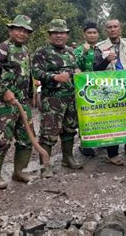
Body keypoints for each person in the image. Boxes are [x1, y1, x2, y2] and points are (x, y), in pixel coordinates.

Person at [0, 15, 34, 189]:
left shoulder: (25, 50)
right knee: (1, 140)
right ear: (10, 31)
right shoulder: (4, 48)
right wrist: (3, 90)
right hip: (4, 104)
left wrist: (31, 95)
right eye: (18, 29)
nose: (22, 33)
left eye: (25, 31)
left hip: (22, 101)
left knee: (26, 138)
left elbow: (27, 75)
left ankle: (19, 171)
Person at [32, 19, 83, 178]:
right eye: (55, 33)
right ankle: (45, 165)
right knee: (49, 133)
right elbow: (35, 73)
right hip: (53, 99)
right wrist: (54, 77)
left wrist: (77, 72)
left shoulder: (70, 51)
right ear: (50, 35)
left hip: (70, 98)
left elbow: (73, 69)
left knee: (69, 129)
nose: (59, 36)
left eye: (62, 33)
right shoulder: (42, 52)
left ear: (67, 35)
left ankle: (67, 158)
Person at [94, 19, 126, 165]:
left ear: (120, 28)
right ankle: (112, 153)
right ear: (106, 30)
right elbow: (95, 70)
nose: (113, 29)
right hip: (110, 90)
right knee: (113, 121)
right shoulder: (100, 47)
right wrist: (106, 60)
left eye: (115, 26)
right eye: (109, 27)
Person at [74, 22, 99, 157]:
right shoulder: (79, 49)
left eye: (94, 32)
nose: (92, 35)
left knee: (100, 115)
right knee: (85, 117)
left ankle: (101, 140)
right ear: (84, 35)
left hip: (100, 88)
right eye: (89, 32)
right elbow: (74, 64)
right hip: (85, 89)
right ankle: (85, 144)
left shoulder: (101, 48)